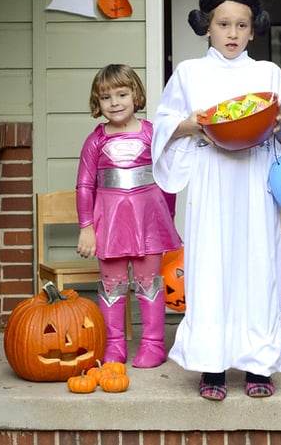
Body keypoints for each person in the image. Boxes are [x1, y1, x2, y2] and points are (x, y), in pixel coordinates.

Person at [151, 0, 281, 400]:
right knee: (210, 265)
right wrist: (196, 123)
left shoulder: (267, 73)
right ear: (207, 28)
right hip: (210, 176)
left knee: (258, 266)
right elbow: (164, 123)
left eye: (242, 25)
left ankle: (258, 365)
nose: (232, 33)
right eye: (223, 25)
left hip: (253, 178)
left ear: (254, 31)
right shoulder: (189, 73)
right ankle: (211, 366)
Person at [75, 64, 182, 368]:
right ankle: (115, 345)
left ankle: (153, 344)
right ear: (98, 103)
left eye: (122, 94)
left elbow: (167, 179)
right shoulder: (95, 140)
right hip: (108, 222)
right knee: (112, 284)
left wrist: (167, 219)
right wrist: (86, 227)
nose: (115, 103)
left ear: (136, 95)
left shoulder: (152, 134)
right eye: (106, 97)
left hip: (149, 220)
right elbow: (84, 185)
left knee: (149, 282)